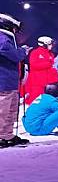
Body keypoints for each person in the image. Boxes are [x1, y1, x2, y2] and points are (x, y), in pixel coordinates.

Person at [0, 13, 30, 148]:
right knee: (2, 111)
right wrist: (23, 52)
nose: (15, 31)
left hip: (10, 81)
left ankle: (7, 135)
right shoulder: (3, 38)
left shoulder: (7, 38)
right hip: (3, 81)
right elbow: (12, 55)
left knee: (11, 110)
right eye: (14, 28)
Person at [24, 35, 58, 105]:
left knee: (47, 102)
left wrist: (56, 79)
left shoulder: (51, 54)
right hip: (37, 82)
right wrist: (47, 64)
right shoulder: (35, 53)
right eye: (49, 44)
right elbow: (33, 65)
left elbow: (51, 67)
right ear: (44, 44)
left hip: (48, 83)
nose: (51, 46)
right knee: (36, 101)